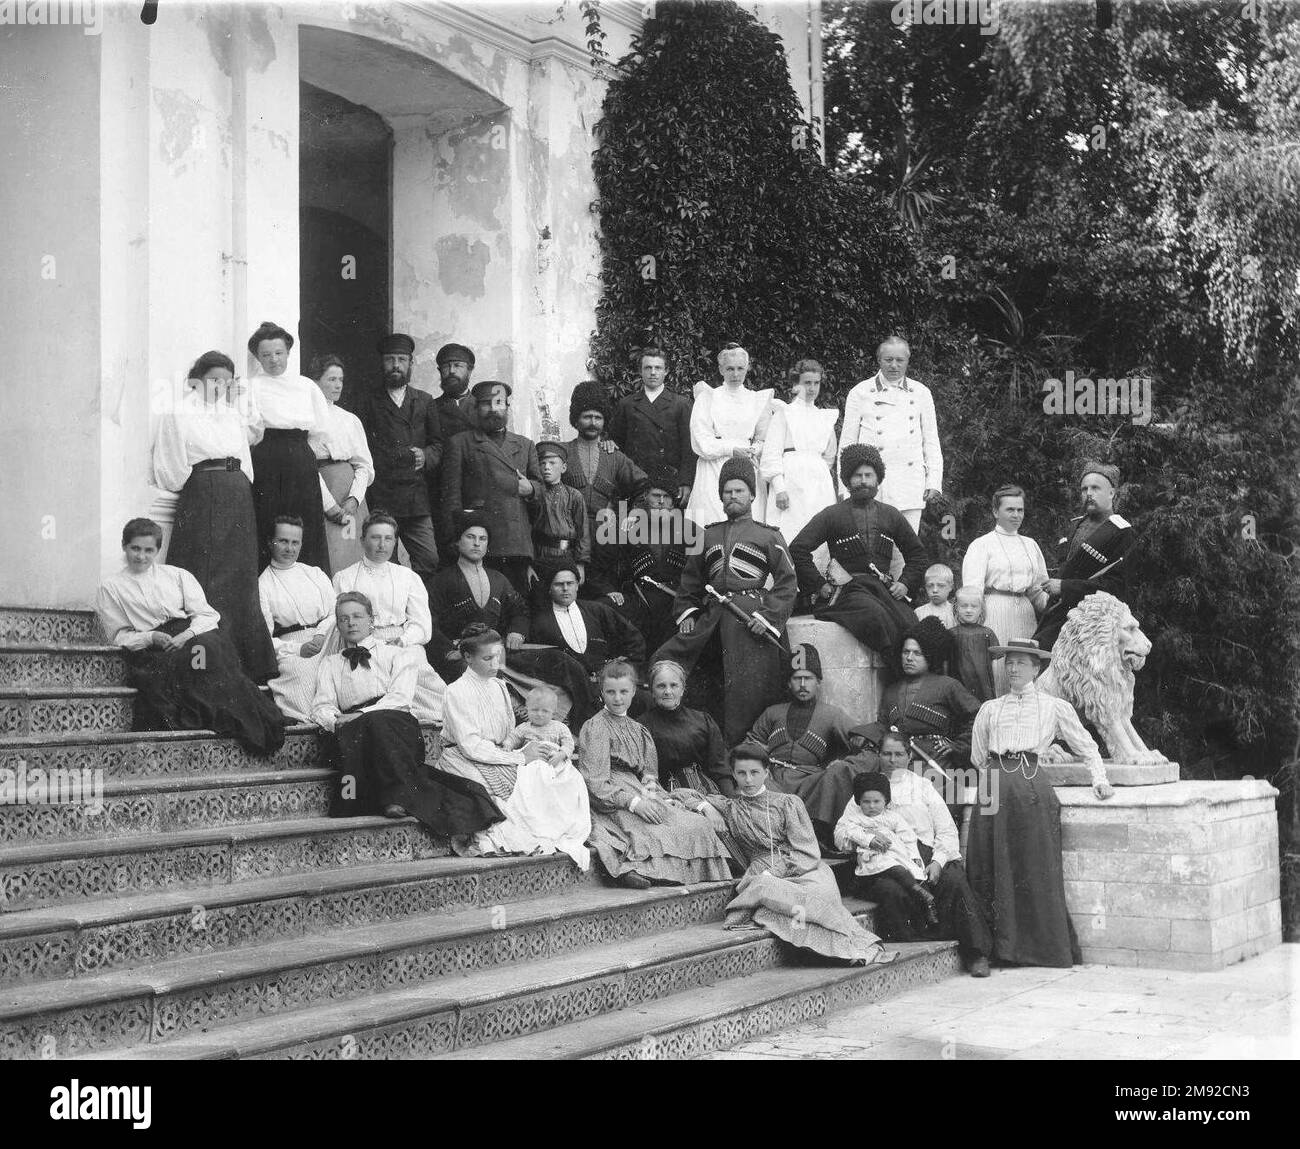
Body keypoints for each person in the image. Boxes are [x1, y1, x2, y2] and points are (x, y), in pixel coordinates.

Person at [969, 638, 1114, 967]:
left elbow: (1087, 747)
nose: (1013, 668)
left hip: (1031, 784)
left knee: (1034, 863)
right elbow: (978, 757)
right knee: (986, 860)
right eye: (1009, 662)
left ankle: (1035, 949)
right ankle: (989, 950)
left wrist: (1100, 779)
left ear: (1036, 668)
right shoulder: (989, 709)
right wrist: (995, 779)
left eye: (1021, 663)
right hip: (992, 784)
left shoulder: (1053, 707)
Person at [676, 746, 892, 964]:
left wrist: (776, 872)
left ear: (766, 773)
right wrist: (706, 806)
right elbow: (680, 793)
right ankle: (841, 953)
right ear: (733, 775)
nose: (748, 780)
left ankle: (853, 946)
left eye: (755, 772)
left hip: (806, 868)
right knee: (783, 902)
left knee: (814, 900)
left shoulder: (787, 803)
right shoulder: (729, 807)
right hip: (763, 873)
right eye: (741, 773)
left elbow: (807, 852)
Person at [311, 592, 501, 836]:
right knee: (362, 730)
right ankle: (375, 797)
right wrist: (334, 720)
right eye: (343, 618)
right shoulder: (330, 663)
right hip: (353, 730)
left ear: (372, 619)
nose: (351, 622)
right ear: (337, 625)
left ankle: (394, 797)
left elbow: (399, 698)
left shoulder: (398, 654)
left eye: (358, 616)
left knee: (379, 722)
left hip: (394, 721)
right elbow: (322, 705)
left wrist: (361, 714)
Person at [96, 518, 285, 755]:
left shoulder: (176, 575)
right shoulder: (111, 587)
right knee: (194, 662)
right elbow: (118, 635)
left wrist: (187, 634)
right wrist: (151, 637)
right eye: (135, 548)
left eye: (148, 550)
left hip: (192, 634)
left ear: (157, 550)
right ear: (124, 545)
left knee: (209, 648)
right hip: (156, 647)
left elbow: (206, 614)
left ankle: (243, 718)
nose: (141, 556)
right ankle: (231, 717)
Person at [654, 458, 798, 745]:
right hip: (712, 621)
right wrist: (688, 615)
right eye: (728, 492)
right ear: (720, 496)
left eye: (739, 491)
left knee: (749, 691)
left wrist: (768, 618)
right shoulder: (708, 535)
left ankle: (748, 751)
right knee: (670, 661)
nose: (733, 497)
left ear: (753, 495)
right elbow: (690, 581)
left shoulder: (768, 535)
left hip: (751, 624)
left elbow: (788, 582)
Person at [152, 350, 276, 682]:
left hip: (237, 493)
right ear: (198, 379)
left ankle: (244, 661)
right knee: (209, 574)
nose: (218, 387)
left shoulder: (230, 413)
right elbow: (170, 466)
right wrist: (197, 488)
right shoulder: (179, 412)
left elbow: (250, 441)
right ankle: (206, 657)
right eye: (212, 380)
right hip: (204, 492)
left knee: (239, 576)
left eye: (225, 381)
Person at [437, 623, 591, 867]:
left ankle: (557, 827)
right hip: (465, 757)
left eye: (498, 656)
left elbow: (510, 732)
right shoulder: (456, 691)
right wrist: (520, 758)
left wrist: (526, 750)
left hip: (500, 752)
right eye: (487, 658)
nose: (495, 663)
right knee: (512, 798)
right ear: (467, 657)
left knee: (554, 773)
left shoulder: (499, 685)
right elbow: (471, 746)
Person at [850, 728, 993, 976]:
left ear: (908, 756)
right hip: (887, 862)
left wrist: (937, 861)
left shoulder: (923, 786)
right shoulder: (866, 788)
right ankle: (916, 950)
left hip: (926, 856)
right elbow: (847, 829)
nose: (892, 760)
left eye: (898, 754)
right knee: (891, 891)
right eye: (886, 754)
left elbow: (946, 830)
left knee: (955, 881)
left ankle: (976, 953)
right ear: (879, 755)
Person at [576, 659, 730, 889]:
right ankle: (633, 870)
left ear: (634, 691)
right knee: (649, 831)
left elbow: (649, 777)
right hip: (611, 799)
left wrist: (661, 799)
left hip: (640, 791)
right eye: (611, 692)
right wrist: (635, 804)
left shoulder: (639, 729)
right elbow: (595, 783)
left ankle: (666, 871)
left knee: (695, 824)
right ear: (602, 693)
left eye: (624, 692)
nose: (618, 698)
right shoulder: (595, 727)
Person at [425, 514, 592, 722]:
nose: (477, 543)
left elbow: (520, 610)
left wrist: (517, 631)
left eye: (482, 539)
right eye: (470, 537)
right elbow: (428, 622)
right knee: (475, 669)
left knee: (562, 661)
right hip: (465, 656)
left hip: (502, 652)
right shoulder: (441, 581)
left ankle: (582, 723)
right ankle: (514, 707)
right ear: (458, 542)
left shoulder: (499, 579)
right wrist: (449, 650)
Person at [789, 444, 924, 656]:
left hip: (882, 591)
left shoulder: (892, 515)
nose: (863, 481)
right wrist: (819, 585)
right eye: (857, 475)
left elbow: (917, 555)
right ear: (847, 480)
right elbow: (797, 550)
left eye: (869, 475)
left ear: (878, 479)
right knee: (875, 615)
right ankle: (895, 670)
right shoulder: (832, 515)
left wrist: (905, 583)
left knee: (909, 620)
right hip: (847, 593)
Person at [744, 642, 874, 843]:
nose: (803, 684)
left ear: (819, 682)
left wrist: (843, 762)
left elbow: (866, 741)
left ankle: (820, 836)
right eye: (797, 678)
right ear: (789, 683)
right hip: (772, 780)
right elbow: (749, 747)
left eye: (809, 678)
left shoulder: (832, 715)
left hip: (810, 784)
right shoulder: (773, 712)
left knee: (835, 775)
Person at [331, 513, 446, 722]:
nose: (382, 544)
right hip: (362, 642)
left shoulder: (408, 577)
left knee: (422, 677)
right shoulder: (344, 577)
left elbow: (422, 625)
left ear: (395, 541)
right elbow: (341, 619)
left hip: (403, 641)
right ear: (363, 540)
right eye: (375, 537)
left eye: (388, 538)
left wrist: (403, 640)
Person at [354, 332, 443, 578]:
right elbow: (359, 447)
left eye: (402, 360)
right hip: (383, 494)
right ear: (382, 363)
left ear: (411, 363)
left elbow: (437, 445)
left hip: (416, 498)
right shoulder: (367, 401)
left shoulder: (424, 401)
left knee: (428, 558)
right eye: (390, 359)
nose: (396, 366)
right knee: (385, 561)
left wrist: (426, 456)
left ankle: (419, 610)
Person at [246, 320, 332, 574]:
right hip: (266, 458)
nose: (273, 360)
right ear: (258, 357)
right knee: (269, 520)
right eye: (266, 355)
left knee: (305, 522)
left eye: (278, 353)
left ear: (288, 353)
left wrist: (301, 455)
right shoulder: (251, 387)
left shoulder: (306, 386)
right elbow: (249, 430)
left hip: (300, 459)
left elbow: (320, 431)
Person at [440, 380, 541, 595]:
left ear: (507, 407)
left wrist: (531, 489)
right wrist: (453, 540)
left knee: (516, 606)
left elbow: (542, 490)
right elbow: (451, 497)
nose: (494, 409)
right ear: (476, 408)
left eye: (499, 403)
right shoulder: (460, 443)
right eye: (486, 404)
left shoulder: (525, 445)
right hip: (479, 541)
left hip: (516, 543)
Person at [838, 336, 942, 537]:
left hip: (910, 483)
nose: (894, 365)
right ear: (879, 360)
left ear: (907, 361)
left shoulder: (921, 393)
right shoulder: (860, 392)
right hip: (872, 483)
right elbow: (847, 444)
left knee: (907, 548)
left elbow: (931, 440)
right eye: (888, 360)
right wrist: (845, 486)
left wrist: (934, 481)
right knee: (873, 547)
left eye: (899, 360)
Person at [529, 565, 648, 727]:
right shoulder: (541, 623)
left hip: (611, 685)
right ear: (549, 588)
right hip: (575, 694)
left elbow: (634, 640)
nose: (565, 589)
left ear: (577, 585)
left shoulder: (597, 610)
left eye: (570, 583)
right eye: (559, 584)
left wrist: (624, 669)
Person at [1033, 462, 1135, 650]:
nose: (1088, 494)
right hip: (1057, 614)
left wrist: (1064, 587)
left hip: (1092, 623)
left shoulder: (1121, 532)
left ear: (1112, 493)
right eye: (1084, 489)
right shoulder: (1074, 525)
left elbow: (1117, 587)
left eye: (1095, 488)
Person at [563, 380, 649, 599]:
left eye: (598, 417)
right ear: (576, 419)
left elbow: (643, 487)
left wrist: (630, 518)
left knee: (606, 596)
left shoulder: (615, 456)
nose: (593, 423)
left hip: (605, 540)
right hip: (569, 537)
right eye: (587, 417)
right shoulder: (562, 453)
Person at [962, 483, 1050, 691]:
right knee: (1000, 670)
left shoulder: (1031, 544)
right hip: (995, 612)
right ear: (995, 511)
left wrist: (1053, 605)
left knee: (1027, 670)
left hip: (1026, 615)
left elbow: (1039, 589)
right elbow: (972, 592)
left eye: (1020, 510)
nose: (1016, 515)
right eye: (1010, 509)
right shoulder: (982, 544)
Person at [685, 343, 774, 527]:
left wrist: (754, 450)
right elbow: (701, 440)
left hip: (746, 467)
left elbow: (763, 438)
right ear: (720, 369)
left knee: (747, 525)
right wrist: (732, 449)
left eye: (740, 368)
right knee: (711, 522)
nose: (735, 374)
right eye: (730, 369)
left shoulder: (756, 400)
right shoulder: (708, 397)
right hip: (712, 468)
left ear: (747, 368)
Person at [835, 772, 938, 927]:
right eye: (866, 802)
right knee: (897, 871)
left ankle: (925, 905)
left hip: (896, 856)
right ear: (858, 802)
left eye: (877, 801)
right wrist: (868, 839)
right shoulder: (855, 817)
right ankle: (917, 891)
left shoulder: (892, 817)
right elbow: (848, 832)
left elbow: (908, 836)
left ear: (886, 801)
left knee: (912, 872)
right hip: (873, 860)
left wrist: (914, 855)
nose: (871, 806)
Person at [880, 617, 982, 774]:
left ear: (929, 656)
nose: (909, 658)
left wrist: (959, 746)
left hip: (935, 761)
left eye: (917, 653)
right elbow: (882, 726)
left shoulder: (947, 685)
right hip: (900, 762)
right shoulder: (891, 692)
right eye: (906, 652)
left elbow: (978, 716)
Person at [259, 516, 336, 722]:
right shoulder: (263, 584)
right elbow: (265, 639)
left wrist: (320, 635)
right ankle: (313, 724)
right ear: (270, 542)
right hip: (292, 646)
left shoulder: (315, 574)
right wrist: (297, 649)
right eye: (283, 541)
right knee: (302, 672)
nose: (289, 548)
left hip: (327, 637)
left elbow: (335, 612)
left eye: (295, 542)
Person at [758, 358, 837, 550]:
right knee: (790, 532)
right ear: (796, 385)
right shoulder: (784, 414)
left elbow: (829, 456)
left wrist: (814, 471)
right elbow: (771, 455)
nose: (811, 388)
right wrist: (780, 488)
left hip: (818, 485)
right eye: (806, 383)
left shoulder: (823, 417)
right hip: (790, 485)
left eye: (816, 383)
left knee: (820, 537)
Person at [307, 353, 374, 573]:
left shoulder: (349, 419)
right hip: (321, 490)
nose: (338, 385)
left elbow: (363, 465)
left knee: (354, 552)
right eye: (331, 379)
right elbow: (307, 465)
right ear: (315, 381)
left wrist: (354, 498)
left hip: (350, 493)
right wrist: (329, 505)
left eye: (340, 380)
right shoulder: (305, 418)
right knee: (330, 554)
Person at [606, 346, 695, 507]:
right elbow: (614, 441)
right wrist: (608, 441)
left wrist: (686, 482)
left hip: (669, 482)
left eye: (658, 368)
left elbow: (689, 448)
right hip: (636, 481)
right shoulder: (627, 404)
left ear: (666, 371)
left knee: (667, 529)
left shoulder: (681, 404)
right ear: (640, 371)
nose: (653, 372)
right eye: (648, 368)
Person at [618, 464, 690, 654]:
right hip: (640, 598)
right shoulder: (630, 527)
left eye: (666, 497)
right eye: (655, 495)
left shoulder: (689, 529)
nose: (660, 501)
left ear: (673, 502)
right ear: (646, 498)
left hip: (675, 599)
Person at [640, 659, 730, 794]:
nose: (668, 691)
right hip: (665, 796)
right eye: (661, 686)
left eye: (674, 685)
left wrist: (732, 803)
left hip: (707, 793)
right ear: (652, 690)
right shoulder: (642, 726)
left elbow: (720, 768)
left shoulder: (703, 721)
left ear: (682, 689)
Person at [530, 441, 592, 601]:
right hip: (540, 557)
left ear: (563, 467)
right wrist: (528, 564)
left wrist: (581, 564)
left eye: (552, 462)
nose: (546, 467)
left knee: (566, 599)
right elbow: (526, 530)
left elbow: (583, 532)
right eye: (542, 463)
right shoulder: (534, 495)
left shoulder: (574, 496)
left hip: (567, 557)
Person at [950, 586, 998, 703]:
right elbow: (947, 663)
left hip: (983, 683)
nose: (968, 610)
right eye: (964, 606)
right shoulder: (951, 634)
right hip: (959, 681)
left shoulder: (987, 633)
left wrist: (994, 684)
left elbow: (995, 663)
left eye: (974, 606)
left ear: (981, 609)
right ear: (956, 609)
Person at [507, 685, 575, 763]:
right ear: (527, 710)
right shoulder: (524, 728)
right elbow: (513, 737)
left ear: (553, 712)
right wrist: (508, 745)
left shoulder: (560, 727)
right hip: (532, 762)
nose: (539, 714)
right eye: (535, 710)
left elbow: (569, 744)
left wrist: (562, 754)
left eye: (545, 711)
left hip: (554, 762)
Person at [433, 342, 477, 445]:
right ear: (440, 371)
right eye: (446, 367)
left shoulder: (481, 406)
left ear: (469, 371)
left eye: (457, 365)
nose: (452, 371)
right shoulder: (431, 407)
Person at [914, 563, 956, 628]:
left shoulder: (955, 612)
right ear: (925, 587)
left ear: (951, 587)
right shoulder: (919, 612)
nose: (935, 590)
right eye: (930, 586)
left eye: (941, 585)